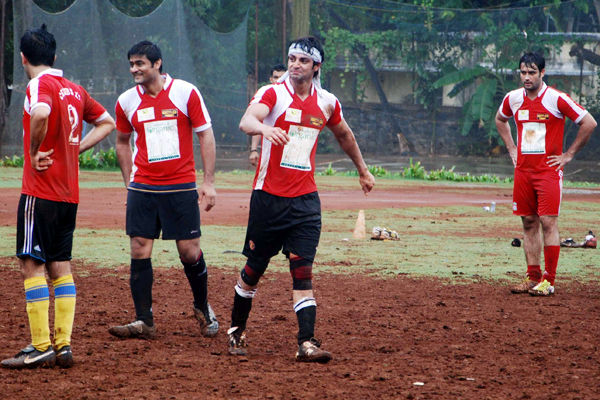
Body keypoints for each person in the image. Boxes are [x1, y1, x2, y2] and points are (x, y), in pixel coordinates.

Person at [228, 36, 375, 362]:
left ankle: (306, 342)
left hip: (305, 201)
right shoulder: (273, 93)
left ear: (316, 66)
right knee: (254, 269)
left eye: (303, 61)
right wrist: (264, 130)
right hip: (268, 199)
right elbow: (246, 120)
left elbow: (344, 135)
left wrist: (363, 171)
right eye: (292, 58)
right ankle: (237, 330)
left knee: (302, 271)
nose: (295, 65)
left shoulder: (326, 102)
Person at [1, 24, 115, 369]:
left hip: (41, 191)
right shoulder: (74, 89)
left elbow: (40, 113)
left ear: (23, 58)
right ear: (54, 55)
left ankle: (39, 346)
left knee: (31, 264)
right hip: (69, 196)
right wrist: (75, 147)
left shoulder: (40, 84)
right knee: (60, 266)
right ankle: (63, 344)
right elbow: (107, 122)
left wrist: (35, 151)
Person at [109, 41, 219, 340]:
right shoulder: (126, 101)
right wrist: (128, 182)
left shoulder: (185, 92)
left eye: (140, 63)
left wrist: (207, 182)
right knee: (139, 248)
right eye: (131, 64)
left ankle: (201, 307)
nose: (134, 69)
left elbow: (205, 135)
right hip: (143, 187)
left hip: (181, 187)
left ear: (157, 64)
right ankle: (144, 320)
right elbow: (121, 141)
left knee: (189, 251)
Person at [495, 52, 596, 296]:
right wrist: (511, 148)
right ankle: (533, 278)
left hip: (548, 172)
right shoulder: (513, 98)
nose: (526, 77)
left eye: (532, 72)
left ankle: (548, 281)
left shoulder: (556, 99)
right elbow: (500, 120)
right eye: (523, 72)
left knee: (548, 221)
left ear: (542, 72)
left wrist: (568, 155)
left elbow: (589, 122)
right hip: (523, 172)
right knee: (528, 222)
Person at [249, 64, 286, 166]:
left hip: (290, 155)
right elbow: (257, 122)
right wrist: (253, 150)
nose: (278, 80)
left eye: (282, 77)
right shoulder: (267, 96)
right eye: (276, 77)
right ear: (271, 79)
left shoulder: (295, 97)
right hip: (269, 155)